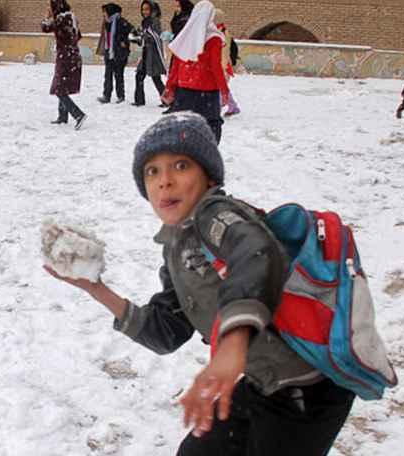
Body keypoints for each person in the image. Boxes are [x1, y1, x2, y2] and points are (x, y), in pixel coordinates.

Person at [45, 113, 355, 456]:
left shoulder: (219, 214)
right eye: (152, 171)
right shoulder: (179, 248)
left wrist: (233, 344)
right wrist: (95, 288)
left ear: (208, 178)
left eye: (180, 165)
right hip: (262, 381)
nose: (165, 181)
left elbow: (255, 254)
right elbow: (166, 333)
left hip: (310, 389)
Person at [161, 0, 229, 143]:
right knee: (211, 125)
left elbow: (176, 65)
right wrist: (224, 90)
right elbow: (216, 67)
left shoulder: (185, 35)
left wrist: (169, 87)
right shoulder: (214, 38)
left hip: (184, 90)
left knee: (181, 124)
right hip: (208, 92)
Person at [41, 0, 87, 129]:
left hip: (65, 57)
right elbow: (78, 36)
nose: (49, 9)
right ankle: (62, 116)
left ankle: (78, 114)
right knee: (63, 87)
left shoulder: (61, 18)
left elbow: (45, 28)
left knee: (58, 88)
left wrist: (47, 17)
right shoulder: (72, 17)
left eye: (50, 6)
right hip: (74, 55)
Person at [131, 0, 167, 107]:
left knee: (156, 78)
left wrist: (142, 36)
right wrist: (136, 36)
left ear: (152, 9)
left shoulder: (155, 21)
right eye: (143, 9)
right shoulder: (145, 21)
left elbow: (155, 36)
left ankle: (168, 100)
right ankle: (139, 100)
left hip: (153, 55)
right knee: (139, 76)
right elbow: (143, 36)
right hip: (146, 53)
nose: (144, 11)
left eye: (147, 9)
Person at [96, 3, 132, 104]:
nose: (103, 14)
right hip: (109, 52)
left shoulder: (121, 22)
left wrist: (123, 41)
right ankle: (106, 95)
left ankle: (120, 96)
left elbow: (131, 31)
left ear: (110, 12)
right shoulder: (107, 22)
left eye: (105, 12)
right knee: (108, 75)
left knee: (119, 75)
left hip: (119, 53)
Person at [218, 22, 241, 117]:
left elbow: (227, 54)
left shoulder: (225, 40)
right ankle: (233, 106)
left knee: (220, 87)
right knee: (222, 88)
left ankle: (219, 107)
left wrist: (226, 65)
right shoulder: (222, 38)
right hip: (222, 66)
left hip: (224, 67)